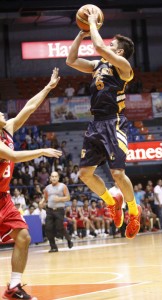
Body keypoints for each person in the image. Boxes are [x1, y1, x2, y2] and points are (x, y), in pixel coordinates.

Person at [66, 10, 141, 240]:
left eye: (112, 44)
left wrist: (91, 23)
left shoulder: (124, 67)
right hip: (95, 123)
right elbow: (71, 60)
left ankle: (135, 212)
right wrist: (82, 32)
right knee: (84, 174)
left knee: (117, 173)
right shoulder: (98, 65)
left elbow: (99, 47)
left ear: (119, 51)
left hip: (113, 123)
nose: (107, 45)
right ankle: (112, 201)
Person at [0, 68, 62, 300]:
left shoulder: (6, 130)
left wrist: (48, 87)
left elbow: (29, 107)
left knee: (24, 237)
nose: (2, 112)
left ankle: (13, 287)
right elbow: (13, 157)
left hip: (3, 198)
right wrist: (42, 150)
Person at [40, 171, 73, 252]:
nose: (54, 178)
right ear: (50, 178)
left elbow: (68, 197)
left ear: (58, 178)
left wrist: (60, 199)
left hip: (59, 210)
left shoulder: (63, 186)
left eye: (55, 176)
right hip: (49, 210)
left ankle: (68, 239)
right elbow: (45, 198)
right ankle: (53, 247)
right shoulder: (47, 188)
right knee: (48, 228)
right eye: (52, 176)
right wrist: (42, 201)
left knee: (59, 227)